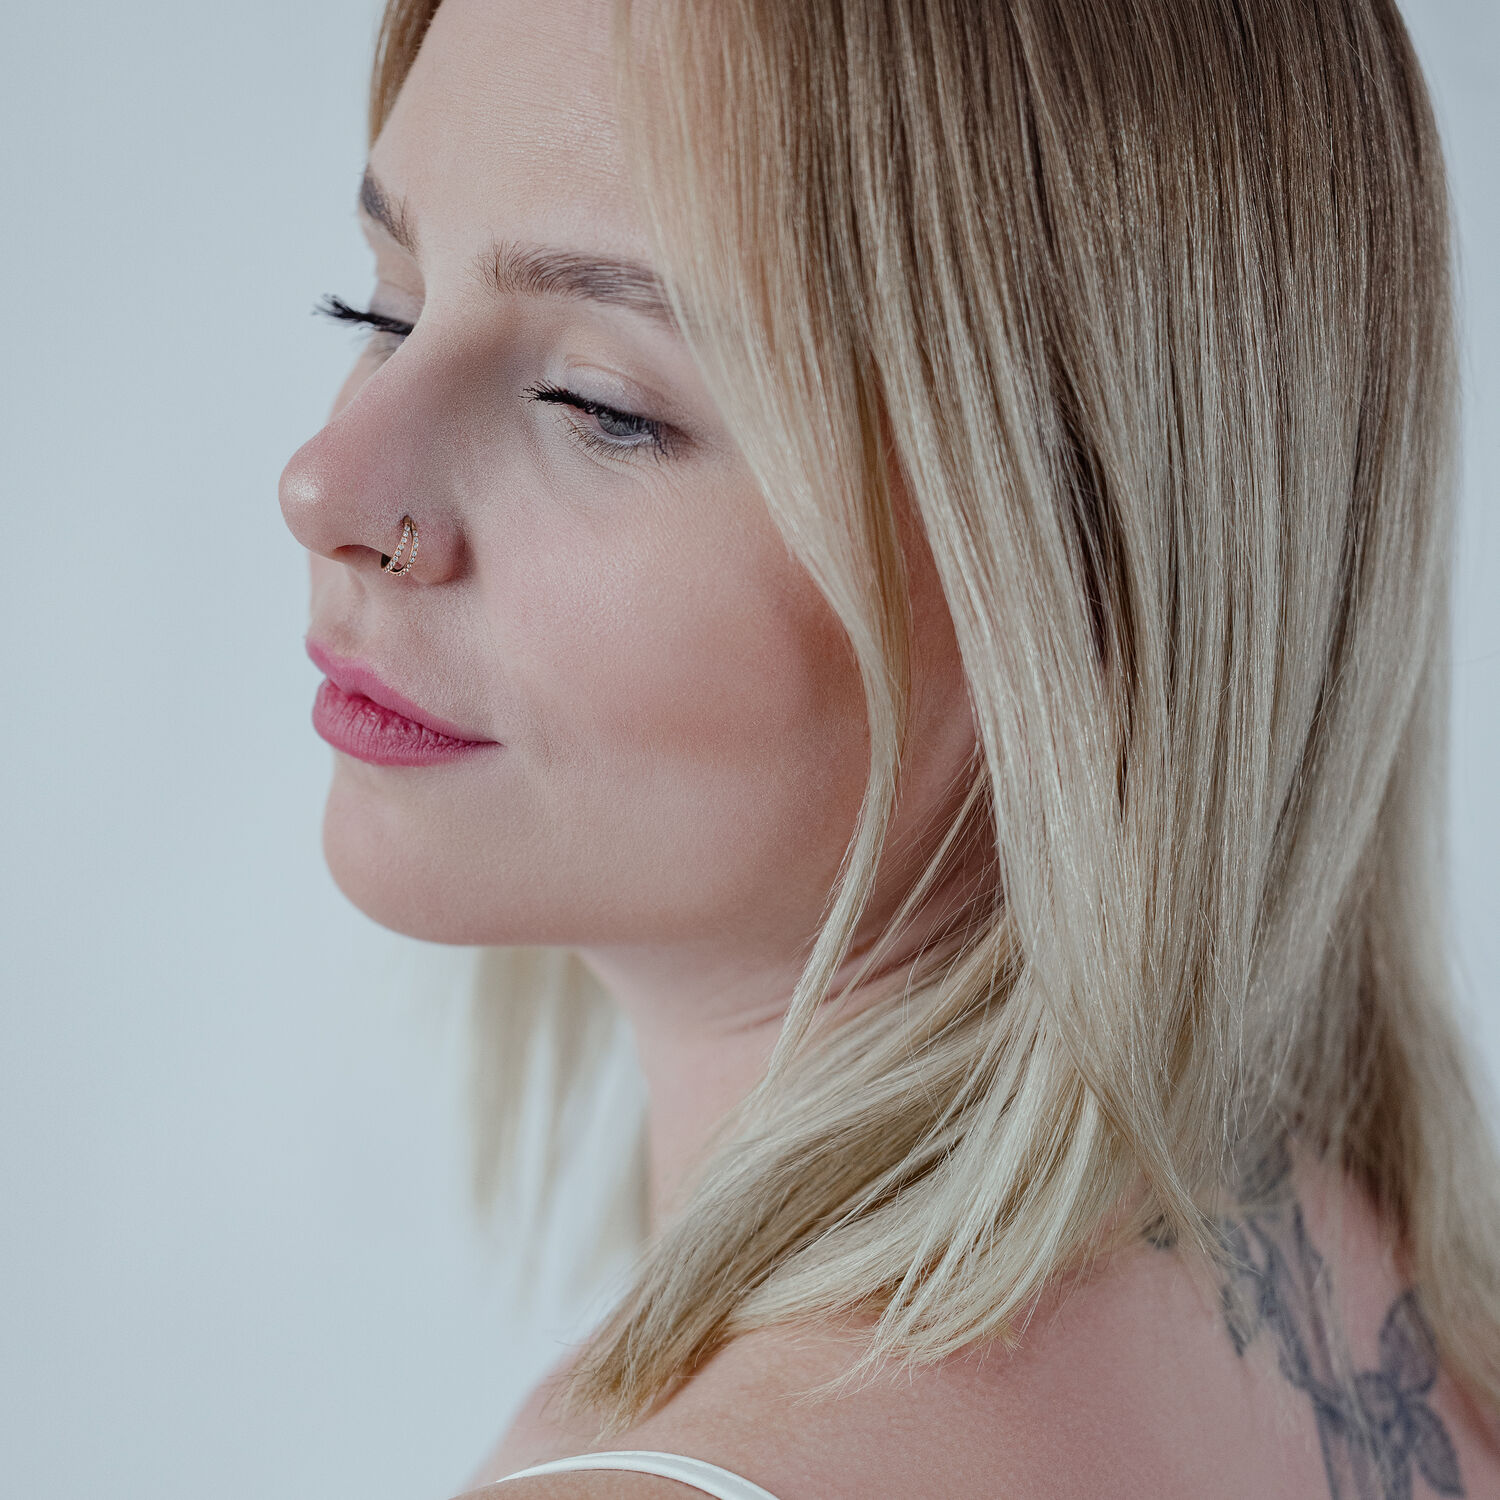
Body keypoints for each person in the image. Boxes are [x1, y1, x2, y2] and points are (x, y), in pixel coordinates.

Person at [277, 0, 1500, 1495]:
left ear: (1076, 572)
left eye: (598, 405)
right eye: (384, 310)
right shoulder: (1408, 1322)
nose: (325, 482)